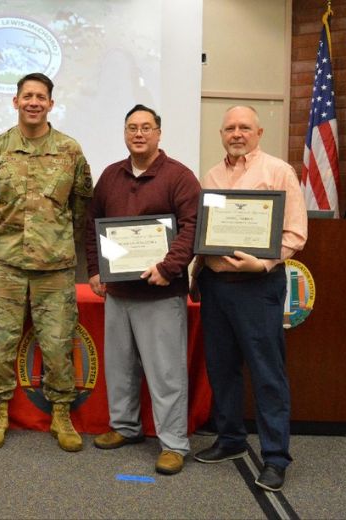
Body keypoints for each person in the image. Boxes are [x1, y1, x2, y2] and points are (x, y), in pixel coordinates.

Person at [0, 72, 93, 452]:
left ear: (50, 104)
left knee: (58, 343)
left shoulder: (70, 150)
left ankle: (61, 412)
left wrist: (54, 242)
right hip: (6, 264)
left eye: (41, 96)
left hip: (55, 266)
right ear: (15, 101)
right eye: (27, 96)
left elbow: (81, 207)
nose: (33, 102)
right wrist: (7, 241)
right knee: (1, 341)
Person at [193, 106, 308, 492]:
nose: (237, 133)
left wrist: (262, 262)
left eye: (244, 127)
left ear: (258, 132)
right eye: (230, 128)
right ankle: (231, 440)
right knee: (222, 368)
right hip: (217, 285)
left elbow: (294, 232)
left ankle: (275, 457)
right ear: (221, 133)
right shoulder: (210, 175)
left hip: (259, 286)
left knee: (266, 372)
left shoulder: (278, 172)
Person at [85, 104, 201, 475]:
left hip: (160, 293)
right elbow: (93, 227)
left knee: (166, 374)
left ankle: (173, 444)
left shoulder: (179, 177)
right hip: (118, 294)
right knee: (120, 369)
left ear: (159, 133)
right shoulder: (110, 176)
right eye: (132, 127)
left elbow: (192, 227)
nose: (139, 133)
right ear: (124, 133)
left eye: (146, 127)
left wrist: (169, 268)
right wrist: (94, 271)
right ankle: (125, 427)